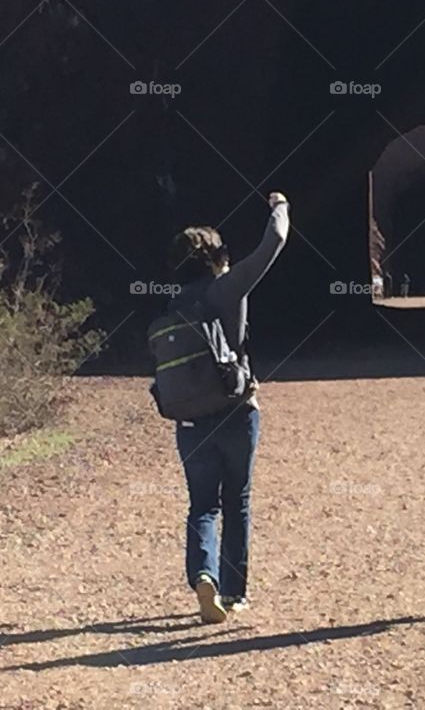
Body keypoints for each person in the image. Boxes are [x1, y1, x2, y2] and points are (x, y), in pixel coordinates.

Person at [167, 191, 289, 623]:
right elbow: (273, 241)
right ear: (216, 255)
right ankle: (234, 592)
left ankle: (204, 574)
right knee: (236, 500)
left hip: (190, 420)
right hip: (238, 411)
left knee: (202, 504)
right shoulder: (230, 285)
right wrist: (280, 205)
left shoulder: (174, 302)